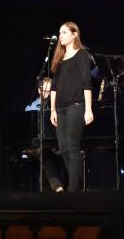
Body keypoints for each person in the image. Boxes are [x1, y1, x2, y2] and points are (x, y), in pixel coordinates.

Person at [50, 21, 94, 192]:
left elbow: (86, 83)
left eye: (64, 32)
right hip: (60, 108)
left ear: (74, 34)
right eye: (60, 33)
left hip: (76, 105)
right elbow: (54, 86)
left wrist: (88, 109)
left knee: (73, 146)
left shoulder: (82, 55)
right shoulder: (59, 59)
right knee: (63, 148)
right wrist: (52, 109)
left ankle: (73, 189)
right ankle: (79, 184)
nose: (60, 35)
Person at [25, 77, 66, 192]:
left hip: (54, 144)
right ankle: (57, 186)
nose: (47, 94)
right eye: (45, 91)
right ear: (39, 90)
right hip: (37, 146)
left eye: (50, 91)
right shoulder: (31, 108)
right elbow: (28, 134)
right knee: (43, 151)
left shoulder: (56, 107)